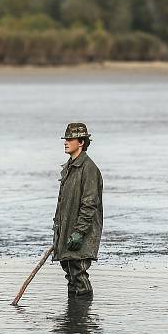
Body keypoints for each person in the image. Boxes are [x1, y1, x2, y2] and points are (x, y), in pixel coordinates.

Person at [52, 122, 103, 299]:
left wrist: (79, 233)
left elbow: (89, 204)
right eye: (65, 139)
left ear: (81, 142)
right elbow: (63, 204)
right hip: (67, 231)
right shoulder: (69, 167)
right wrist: (58, 231)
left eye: (70, 139)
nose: (66, 142)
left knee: (78, 274)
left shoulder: (89, 169)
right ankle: (72, 322)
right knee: (70, 274)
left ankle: (82, 320)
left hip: (80, 233)